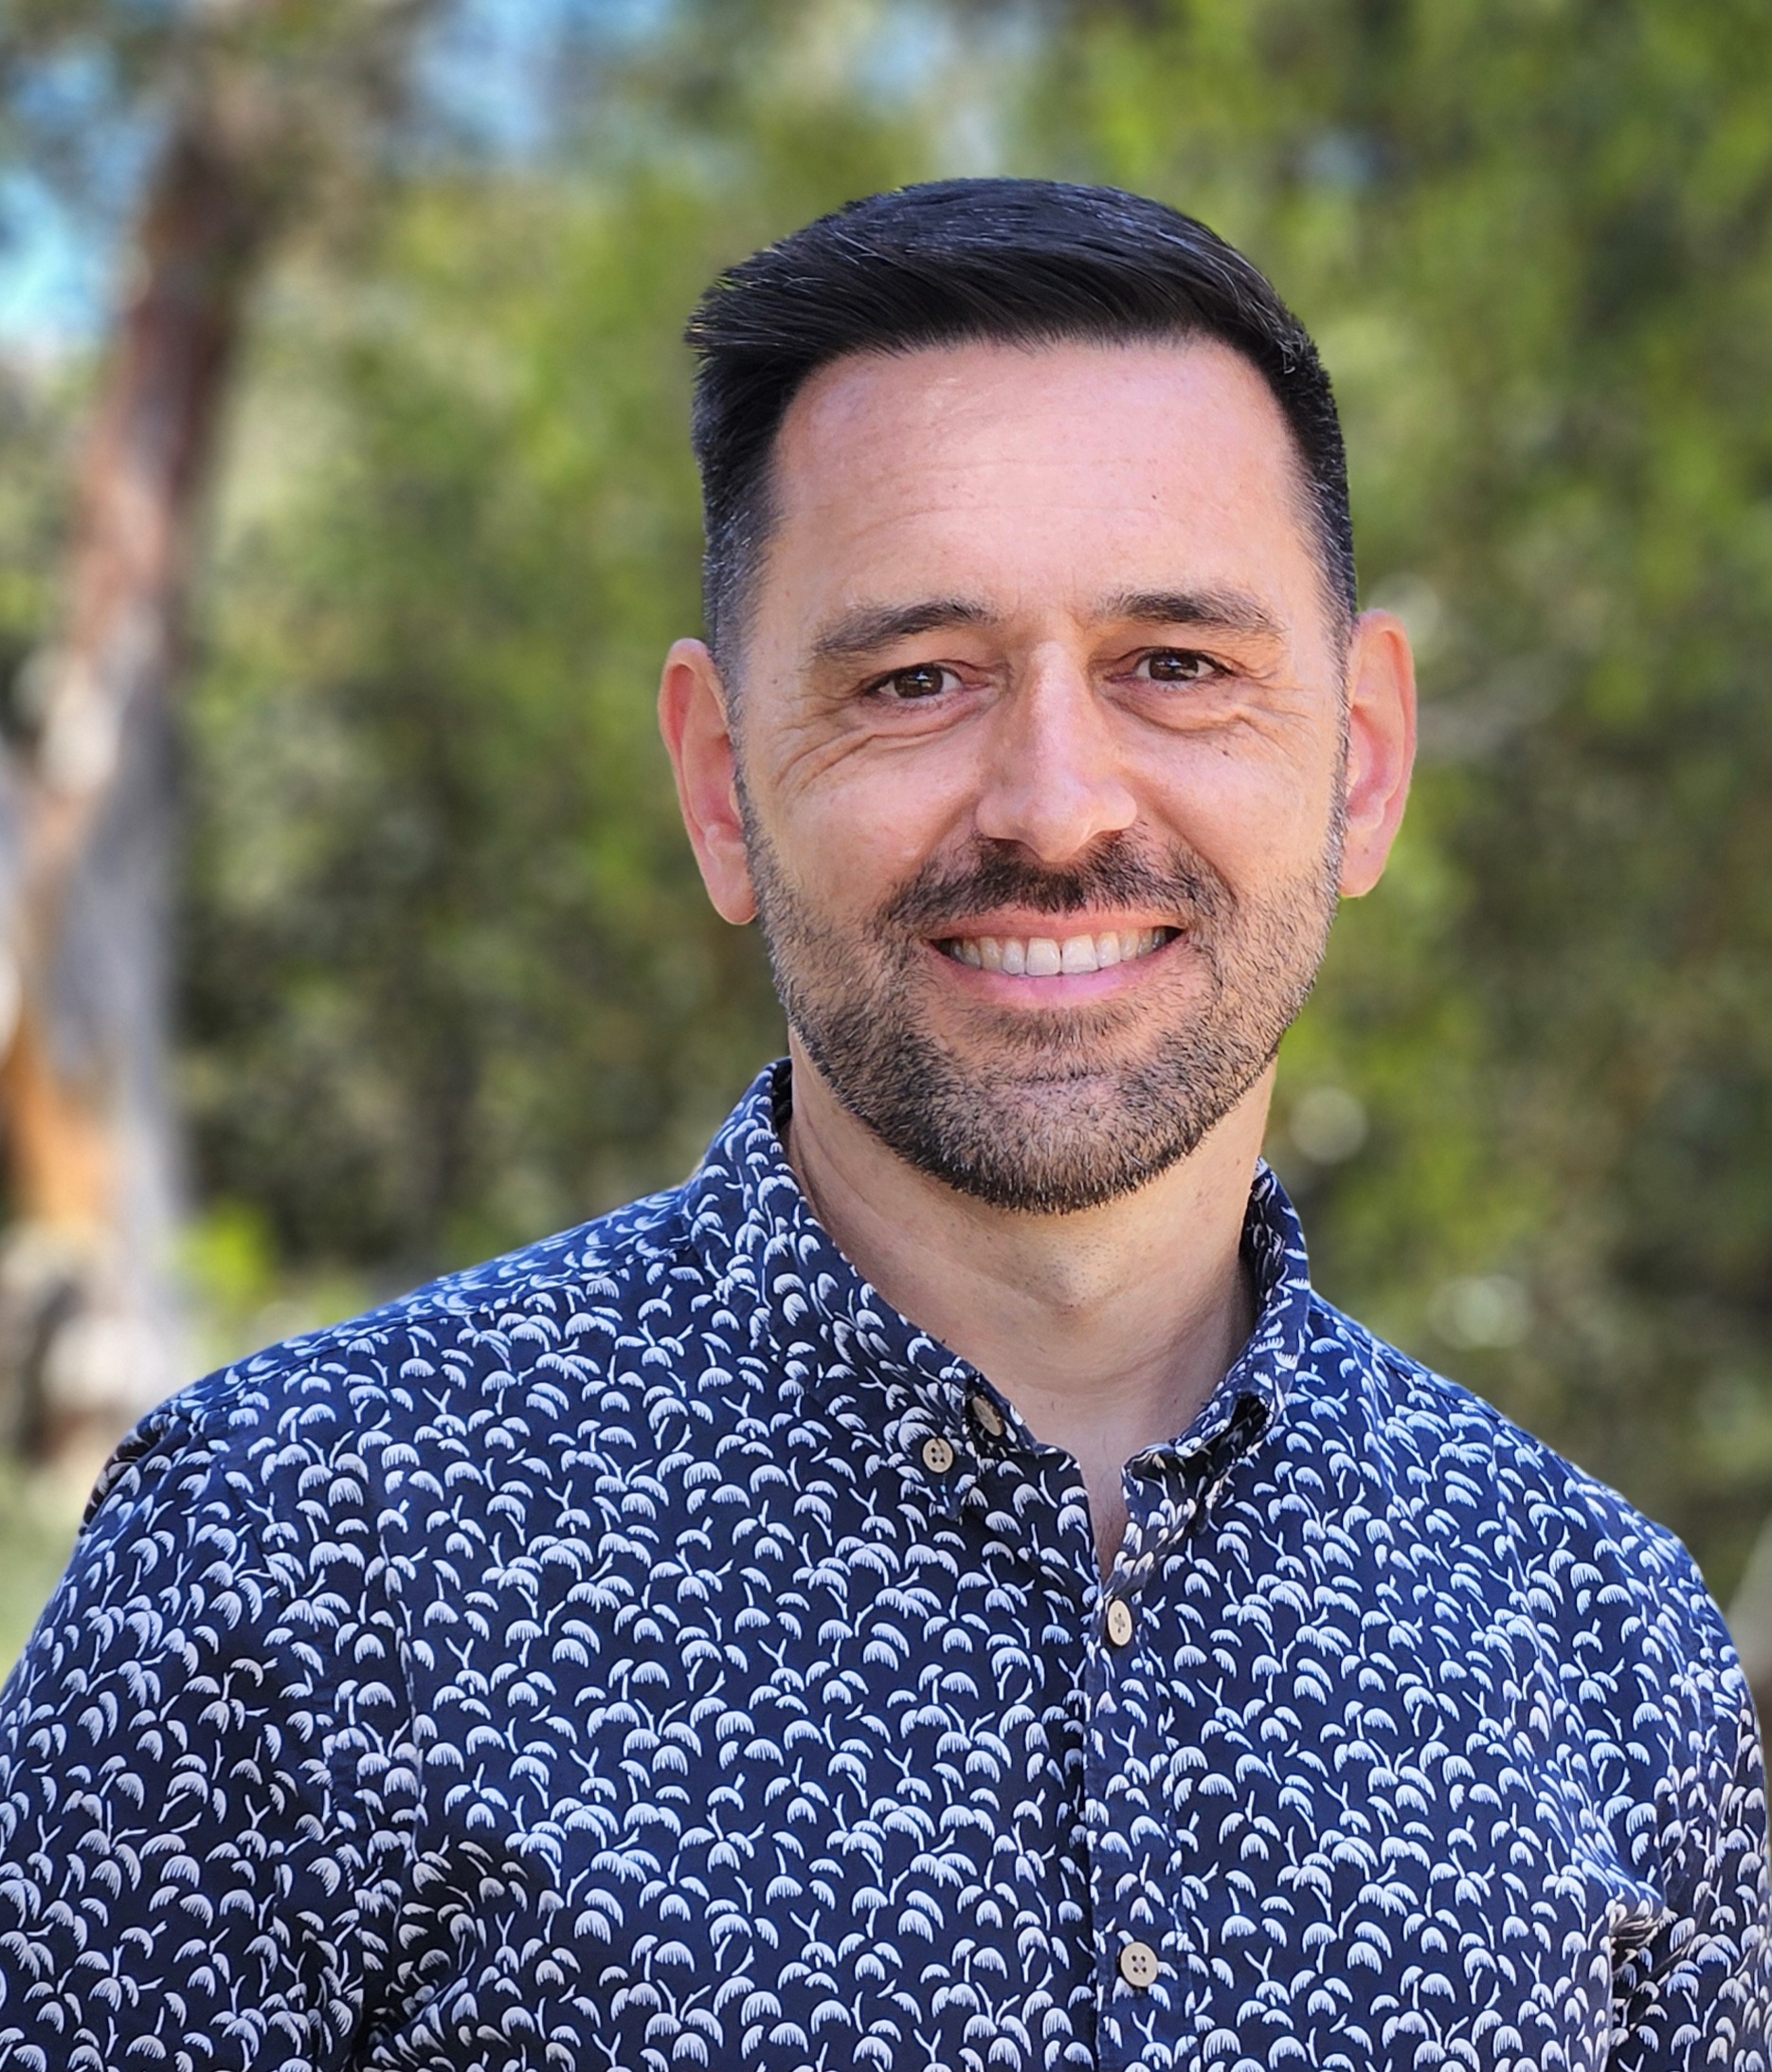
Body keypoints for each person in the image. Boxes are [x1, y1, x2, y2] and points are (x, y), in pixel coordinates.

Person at [0, 180, 1764, 2072]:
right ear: (718, 783)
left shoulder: (1607, 1641)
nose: (1056, 806)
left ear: (1361, 758)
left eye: (1176, 665)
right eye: (913, 681)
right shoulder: (283, 1565)